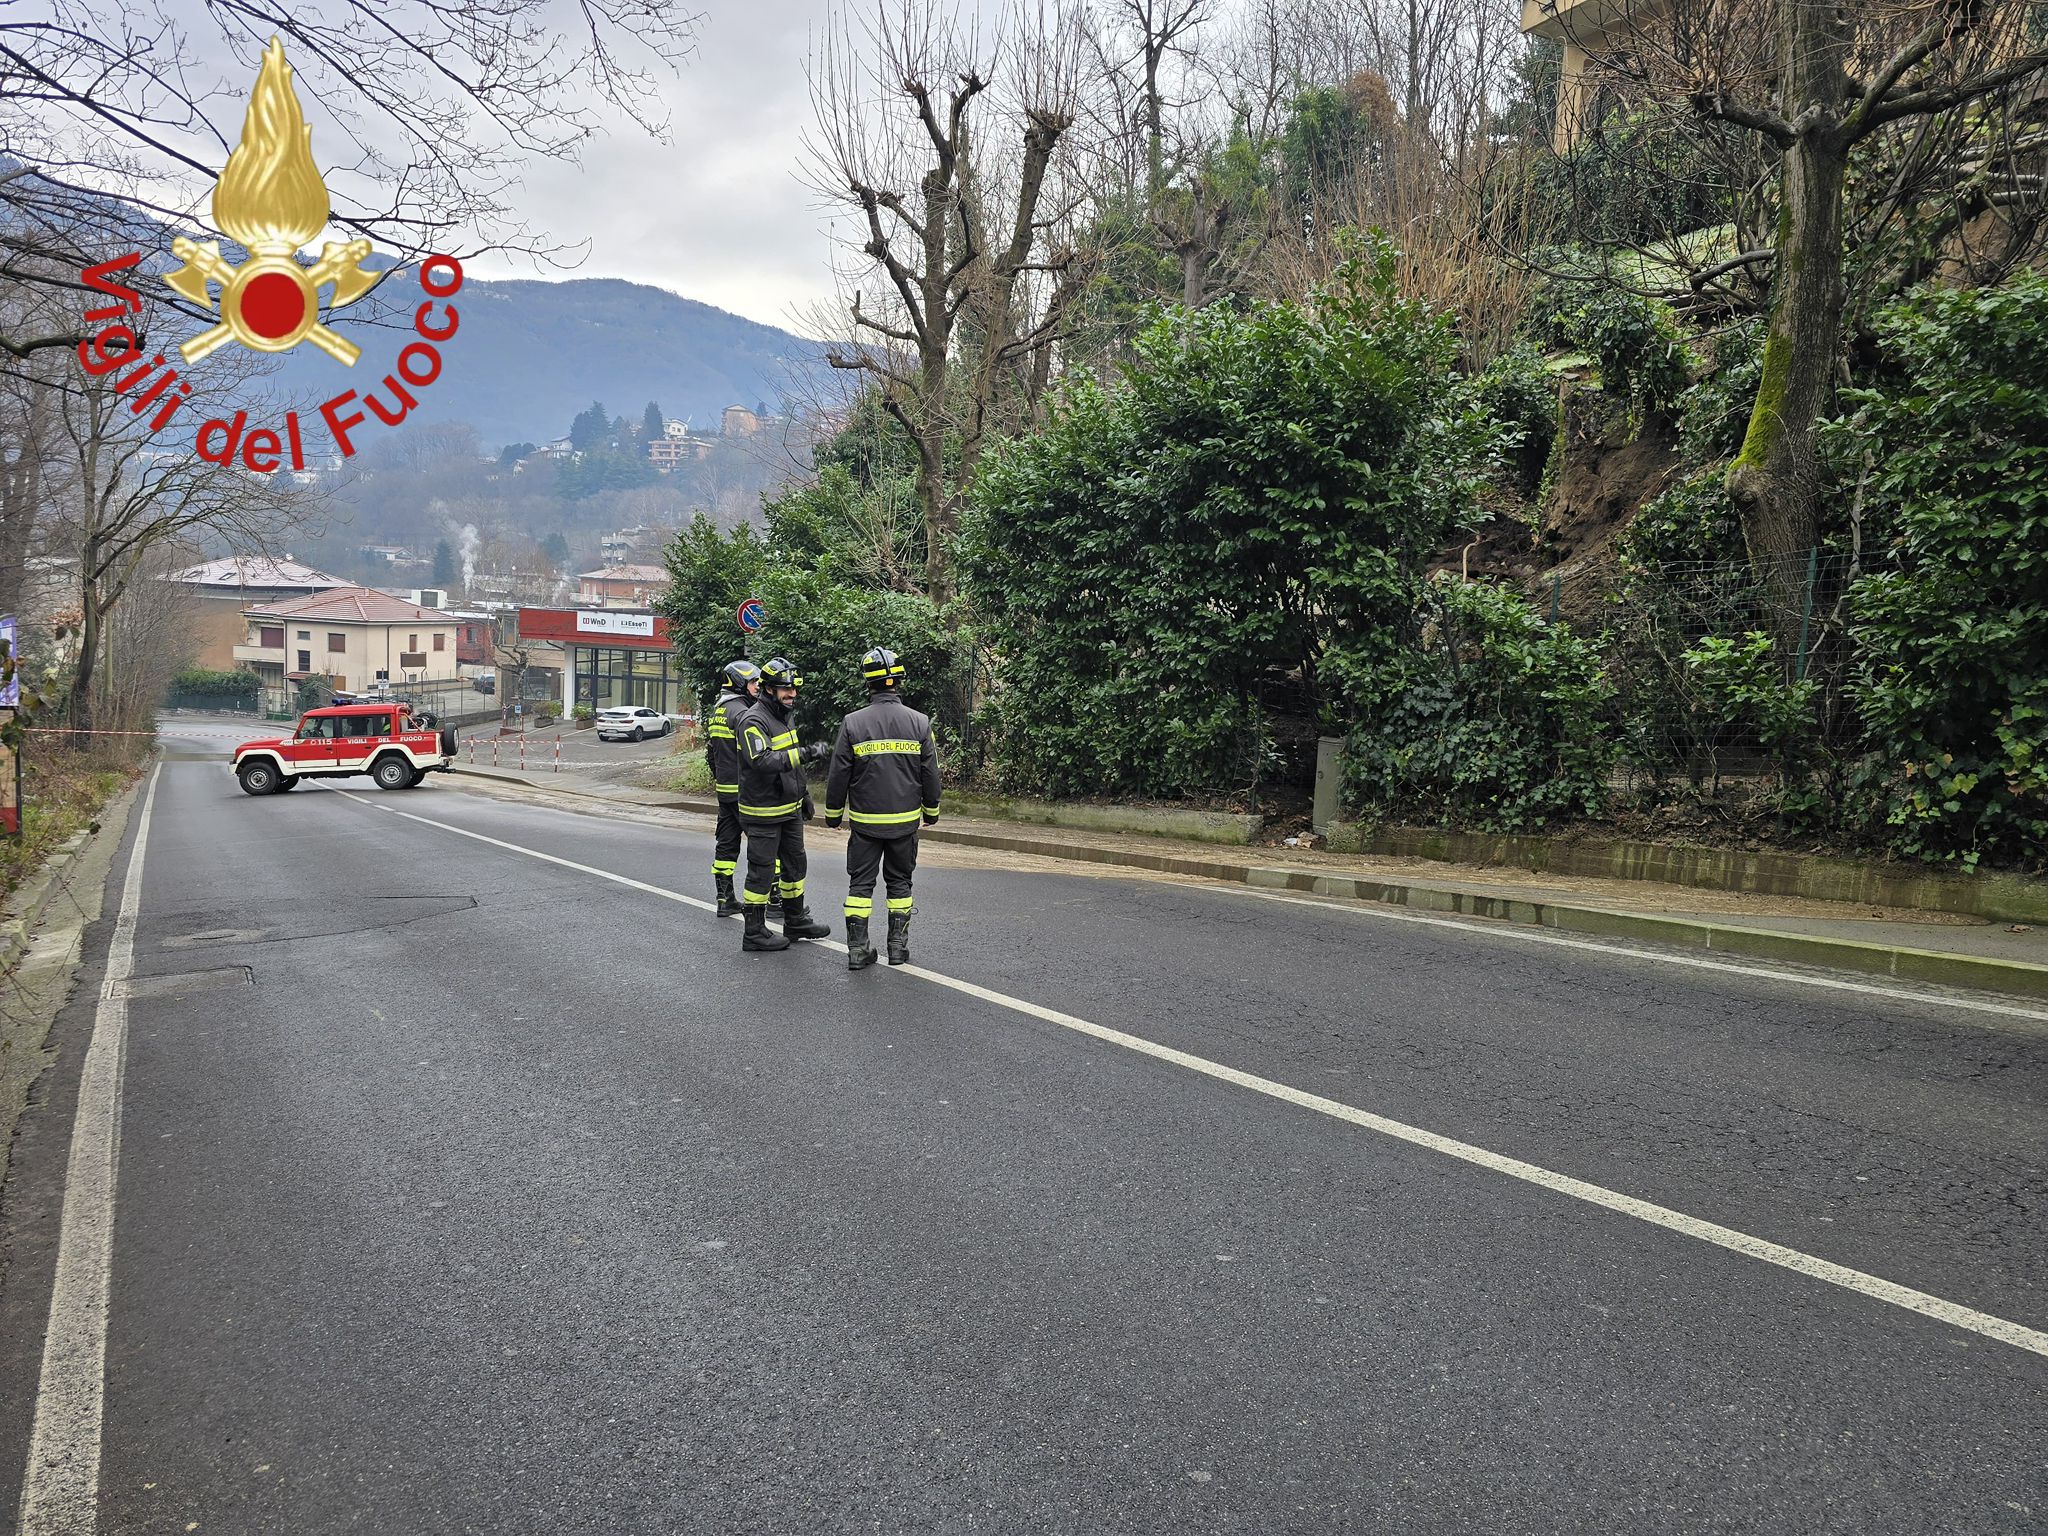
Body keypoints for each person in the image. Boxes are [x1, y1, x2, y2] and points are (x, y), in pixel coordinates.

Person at [824, 646, 942, 969]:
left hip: (865, 826)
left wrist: (833, 815)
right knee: (900, 883)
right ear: (899, 681)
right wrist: (931, 811)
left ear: (868, 683)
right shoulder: (919, 723)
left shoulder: (852, 724)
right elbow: (930, 772)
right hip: (905, 826)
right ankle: (898, 949)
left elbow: (838, 774)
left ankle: (858, 951)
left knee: (860, 885)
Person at [736, 657, 832, 952]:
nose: (792, 695)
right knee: (762, 872)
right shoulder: (753, 720)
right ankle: (753, 931)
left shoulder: (784, 716)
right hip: (763, 811)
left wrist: (803, 796)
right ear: (767, 690)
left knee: (795, 865)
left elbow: (790, 766)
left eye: (793, 689)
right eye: (784, 690)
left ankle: (795, 920)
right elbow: (762, 761)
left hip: (788, 809)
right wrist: (806, 752)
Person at [705, 660, 760, 915]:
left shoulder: (718, 711)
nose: (757, 686)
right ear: (739, 683)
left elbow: (711, 754)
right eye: (752, 682)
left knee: (726, 844)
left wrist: (720, 779)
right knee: (765, 844)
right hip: (745, 792)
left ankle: (724, 898)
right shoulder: (741, 713)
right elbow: (755, 756)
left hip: (726, 792)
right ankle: (773, 902)